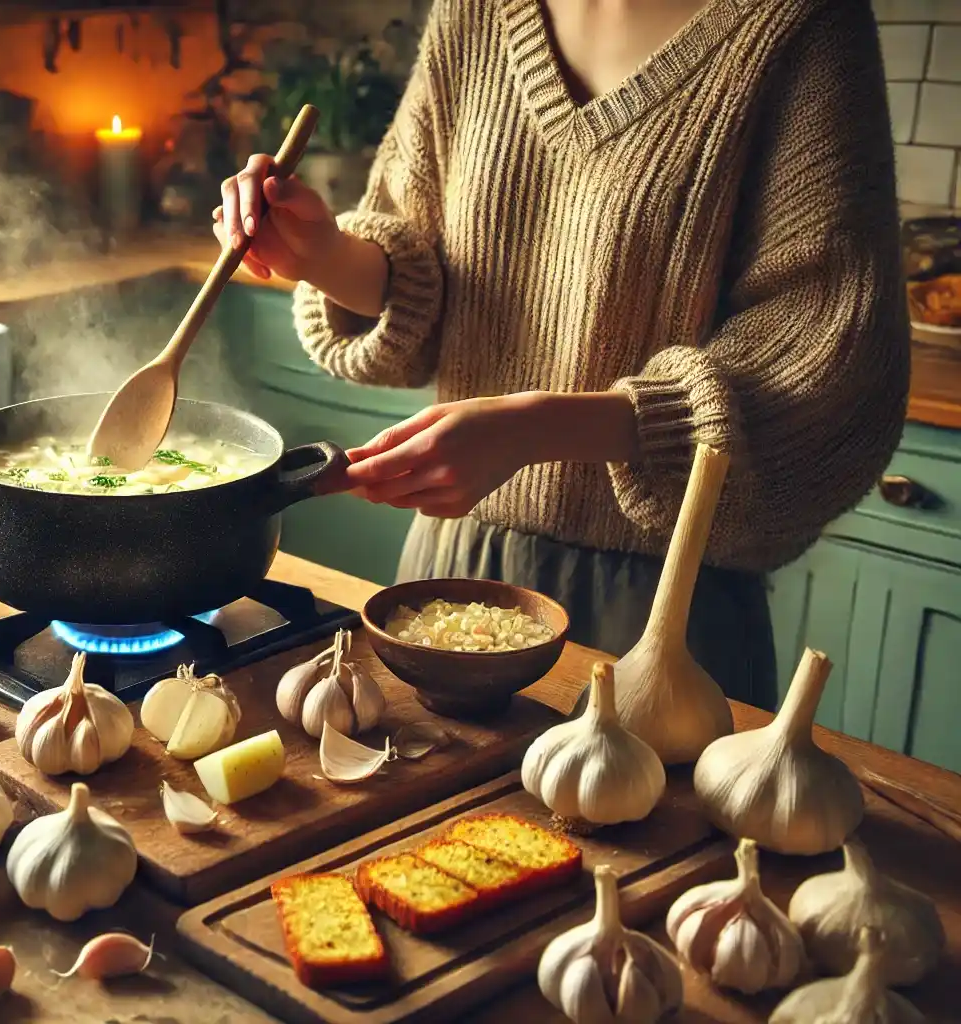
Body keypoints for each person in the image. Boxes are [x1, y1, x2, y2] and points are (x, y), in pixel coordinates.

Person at [216, 0, 909, 708]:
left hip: (660, 619)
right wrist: (323, 255)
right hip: (454, 576)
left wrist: (535, 429)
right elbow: (429, 267)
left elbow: (832, 366)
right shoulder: (475, 12)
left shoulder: (801, 24)